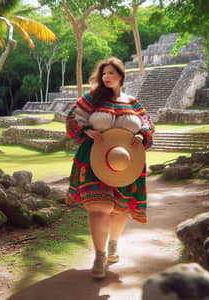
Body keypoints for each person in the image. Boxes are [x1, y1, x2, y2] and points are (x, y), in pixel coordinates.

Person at [65, 57, 155, 279]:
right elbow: (72, 119)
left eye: (111, 73)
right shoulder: (91, 100)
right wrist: (86, 129)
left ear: (121, 76)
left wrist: (141, 135)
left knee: (121, 208)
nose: (106, 77)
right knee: (99, 206)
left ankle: (113, 244)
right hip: (94, 159)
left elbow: (148, 124)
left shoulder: (133, 103)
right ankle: (99, 254)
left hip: (128, 161)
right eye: (103, 73)